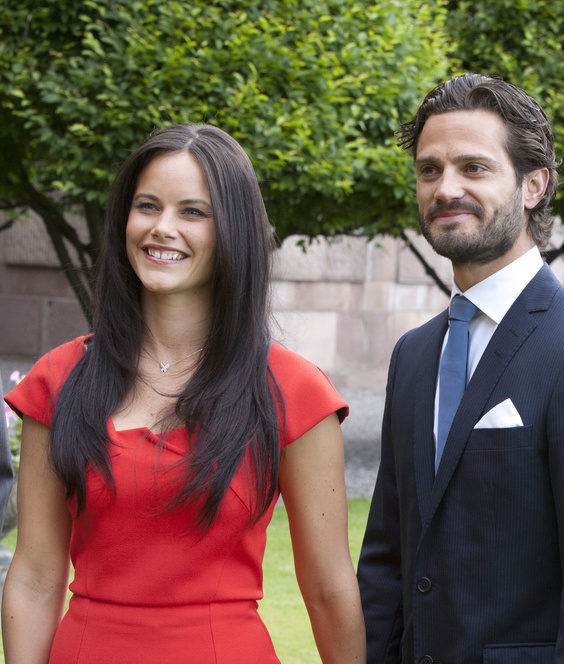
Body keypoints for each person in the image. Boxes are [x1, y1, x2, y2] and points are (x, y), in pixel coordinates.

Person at [2, 124, 366, 662]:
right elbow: (33, 577)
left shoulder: (293, 390)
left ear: (233, 231)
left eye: (192, 212)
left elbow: (329, 589)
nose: (162, 228)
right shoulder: (60, 380)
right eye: (147, 206)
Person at [356, 73, 564, 663]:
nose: (446, 188)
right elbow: (388, 562)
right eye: (429, 170)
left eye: (473, 168)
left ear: (533, 185)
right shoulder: (415, 355)